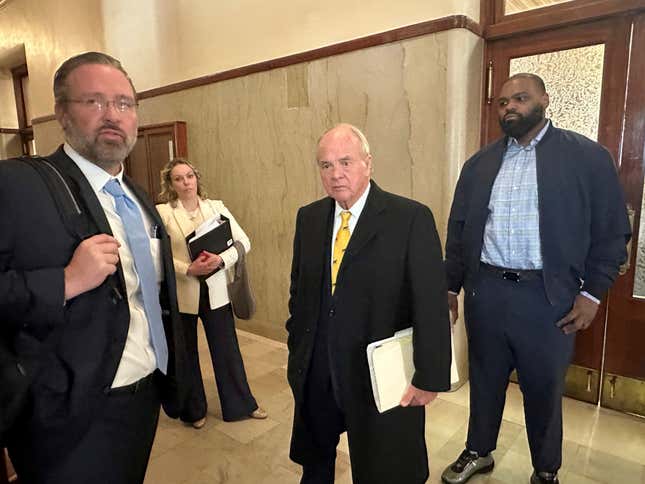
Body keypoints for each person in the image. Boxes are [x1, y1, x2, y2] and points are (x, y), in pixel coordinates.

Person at [0, 52, 189, 484]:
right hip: (67, 416)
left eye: (124, 103)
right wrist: (64, 282)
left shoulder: (140, 199)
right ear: (62, 114)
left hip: (144, 396)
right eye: (94, 102)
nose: (112, 116)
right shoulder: (17, 185)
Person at [441, 73, 631, 484]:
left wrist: (593, 294)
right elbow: (458, 229)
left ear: (545, 99)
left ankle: (546, 469)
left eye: (520, 98)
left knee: (543, 390)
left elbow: (613, 232)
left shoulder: (587, 158)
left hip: (547, 298)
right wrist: (450, 285)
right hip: (486, 291)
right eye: (502, 102)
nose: (509, 107)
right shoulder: (480, 164)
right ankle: (479, 451)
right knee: (486, 378)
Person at [286, 123, 451, 484]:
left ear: (368, 163)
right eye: (326, 165)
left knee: (383, 467)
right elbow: (300, 289)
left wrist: (430, 375)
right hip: (319, 368)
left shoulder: (409, 218)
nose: (335, 174)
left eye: (345, 162)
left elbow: (431, 305)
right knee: (315, 463)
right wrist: (297, 346)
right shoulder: (309, 218)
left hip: (379, 371)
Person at [156, 158, 266, 427]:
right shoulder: (163, 213)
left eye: (190, 176)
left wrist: (221, 261)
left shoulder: (216, 208)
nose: (186, 182)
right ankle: (194, 411)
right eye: (179, 178)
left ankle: (240, 404)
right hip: (184, 293)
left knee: (227, 348)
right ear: (171, 184)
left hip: (216, 291)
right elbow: (157, 255)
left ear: (197, 178)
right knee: (187, 354)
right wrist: (188, 269)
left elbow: (244, 241)